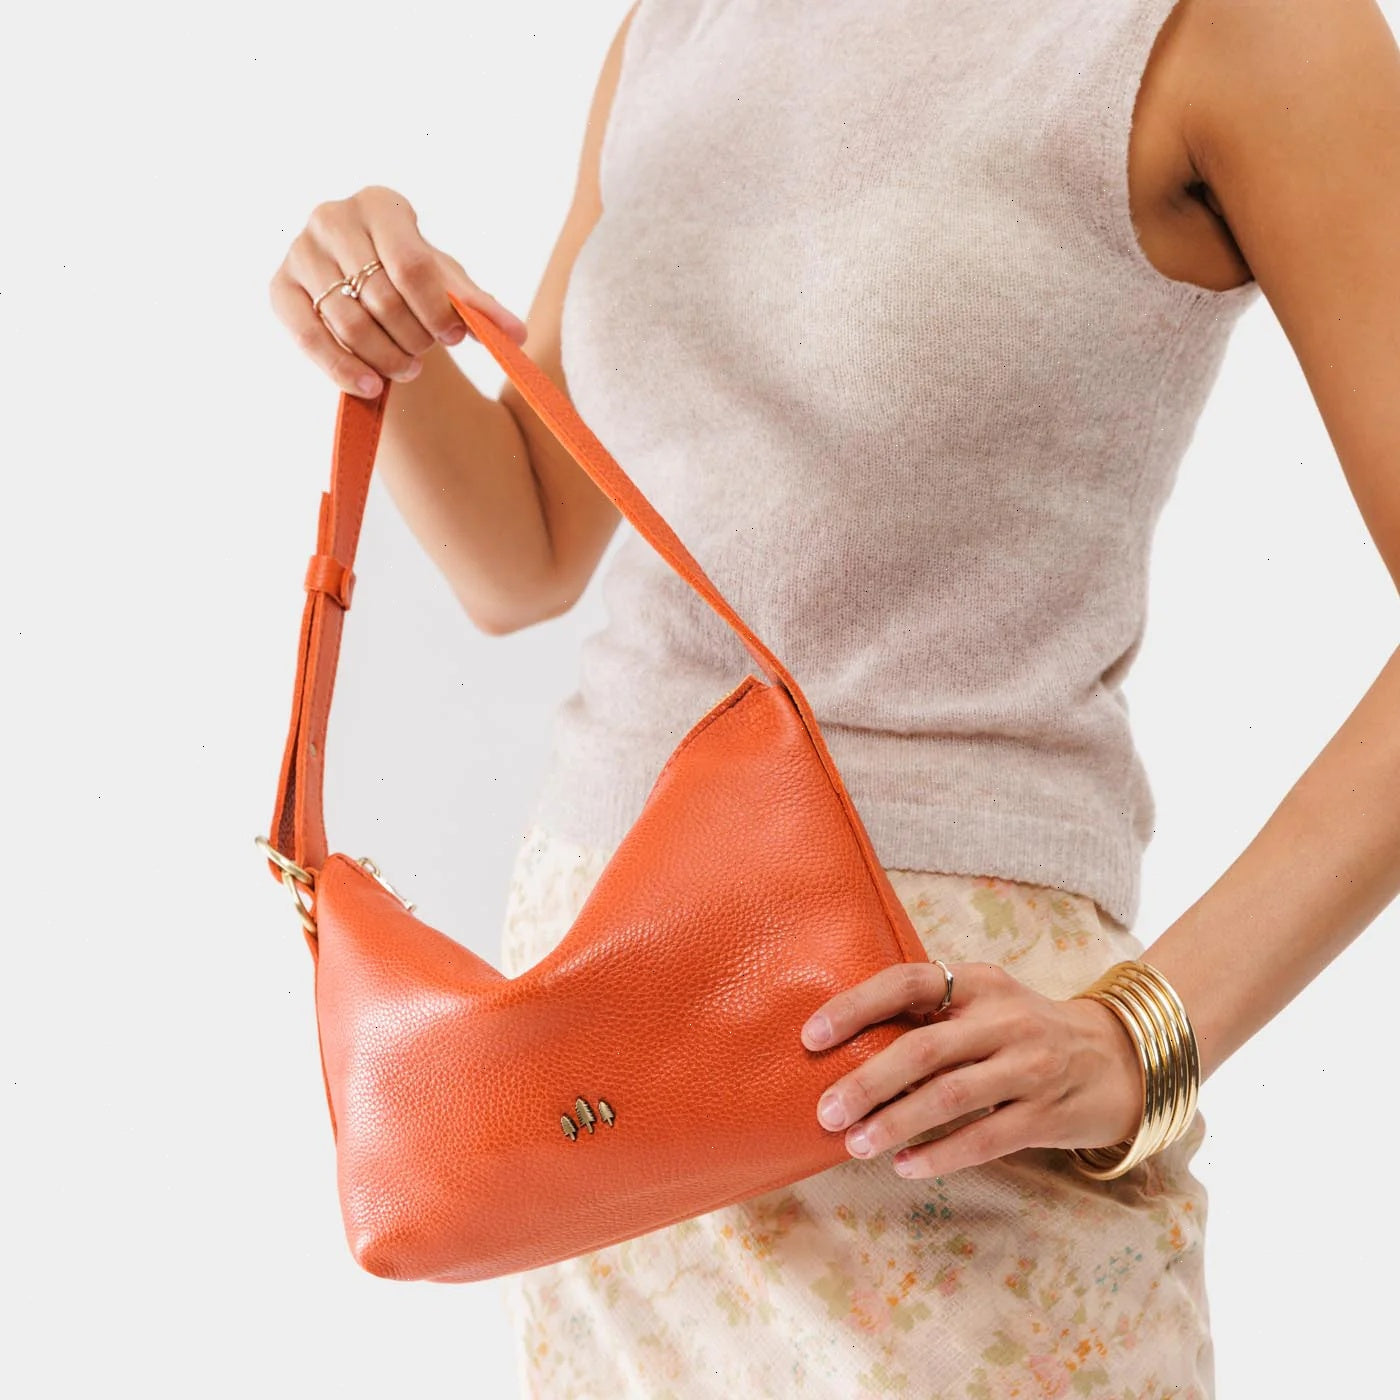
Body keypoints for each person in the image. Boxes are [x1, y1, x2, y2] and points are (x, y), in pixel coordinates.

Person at [267, 0, 1400, 1394]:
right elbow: (529, 550)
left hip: (931, 1099)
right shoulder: (681, 25)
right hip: (601, 1094)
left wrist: (1145, 1033)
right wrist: (380, 329)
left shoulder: (1238, 29)